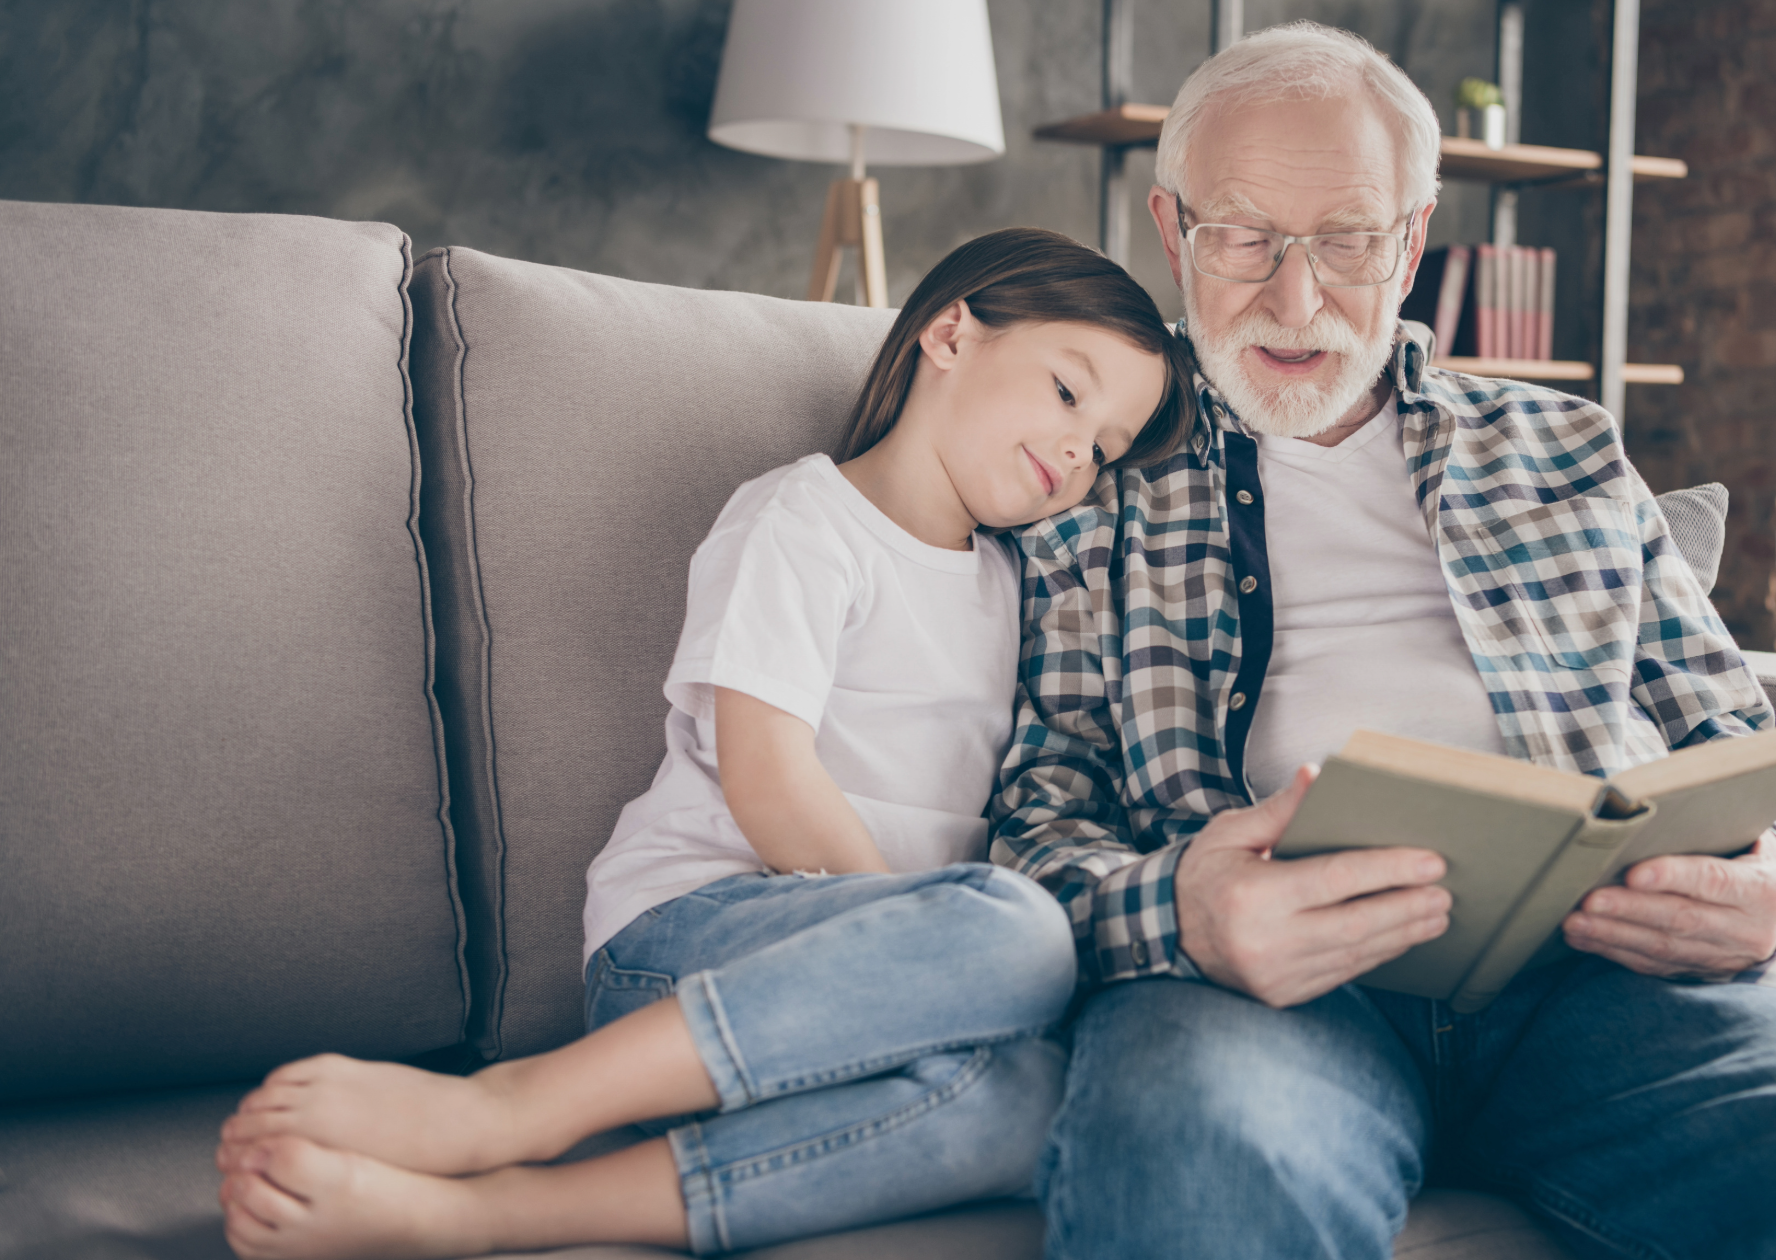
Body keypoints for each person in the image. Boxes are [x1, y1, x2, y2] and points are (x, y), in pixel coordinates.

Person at [992, 23, 1776, 1260]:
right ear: (1174, 232)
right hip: (1256, 987)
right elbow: (1029, 816)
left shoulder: (1562, 450)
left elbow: (1747, 755)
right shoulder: (1081, 460)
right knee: (1187, 1190)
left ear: (1411, 238)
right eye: (1242, 238)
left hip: (1605, 982)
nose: (1295, 300)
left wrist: (1772, 895)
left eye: (1344, 241)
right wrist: (1178, 909)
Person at [210, 227, 1196, 1260]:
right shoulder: (808, 518)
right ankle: (513, 1109)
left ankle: (483, 1215)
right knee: (1015, 931)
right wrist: (920, 941)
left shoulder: (1020, 583)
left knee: (1036, 1100)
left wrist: (925, 980)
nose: (1080, 450)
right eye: (1068, 393)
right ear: (949, 333)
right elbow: (768, 780)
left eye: (1109, 447)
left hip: (871, 1008)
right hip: (689, 941)